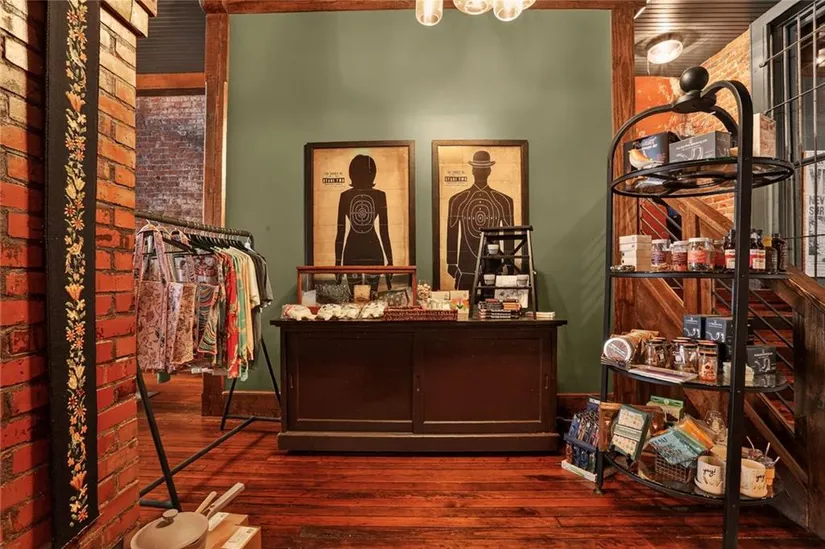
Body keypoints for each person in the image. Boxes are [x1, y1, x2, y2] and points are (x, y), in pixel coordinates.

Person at [446, 150, 514, 290]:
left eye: (484, 169)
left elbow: (509, 235)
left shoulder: (504, 201)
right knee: (464, 300)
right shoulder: (457, 200)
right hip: (465, 265)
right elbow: (452, 233)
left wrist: (509, 261)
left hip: (493, 263)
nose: (481, 172)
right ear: (472, 170)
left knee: (493, 299)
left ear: (489, 171)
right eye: (478, 168)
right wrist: (451, 263)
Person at [335, 154, 393, 271]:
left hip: (353, 251)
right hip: (371, 251)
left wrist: (337, 263)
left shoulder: (345, 196)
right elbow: (384, 232)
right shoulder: (380, 195)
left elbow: (340, 233)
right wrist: (390, 261)